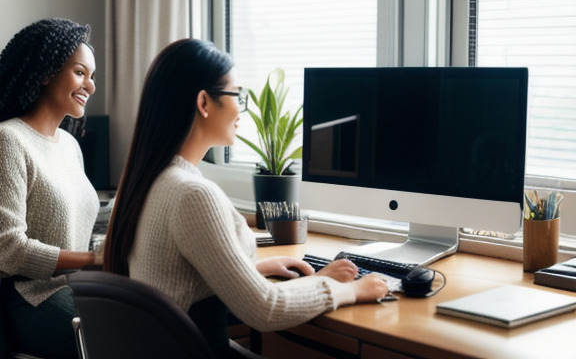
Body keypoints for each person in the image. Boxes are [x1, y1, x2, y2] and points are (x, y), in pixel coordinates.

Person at [103, 38, 388, 357]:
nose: (242, 108)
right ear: (204, 103)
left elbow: (181, 279)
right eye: (237, 95)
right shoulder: (192, 194)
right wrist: (350, 290)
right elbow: (266, 310)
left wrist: (251, 269)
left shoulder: (153, 180)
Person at [0, 18, 101, 359]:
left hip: (78, 286)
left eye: (92, 76)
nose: (90, 84)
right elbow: (9, 248)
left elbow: (82, 222)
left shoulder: (70, 144)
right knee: (118, 337)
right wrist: (94, 260)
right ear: (46, 72)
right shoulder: (9, 140)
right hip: (32, 296)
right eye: (79, 72)